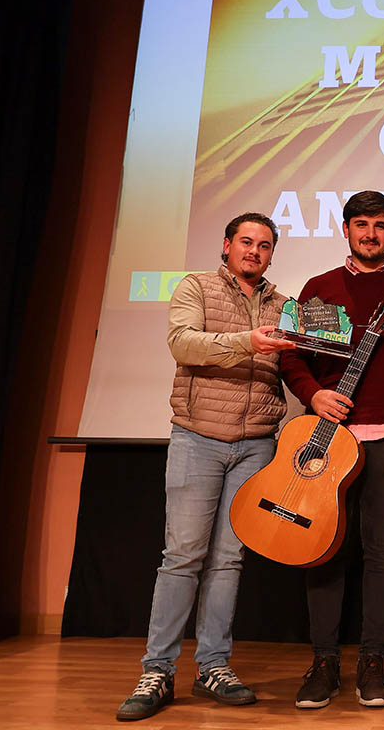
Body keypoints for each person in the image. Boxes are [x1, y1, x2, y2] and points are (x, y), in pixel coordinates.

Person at [116, 213, 295, 722]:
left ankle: (213, 665)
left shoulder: (285, 306)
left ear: (271, 253)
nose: (254, 251)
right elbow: (183, 343)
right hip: (197, 439)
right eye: (246, 242)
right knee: (182, 557)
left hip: (257, 445)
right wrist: (248, 342)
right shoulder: (195, 285)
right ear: (227, 244)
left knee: (229, 560)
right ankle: (158, 671)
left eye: (264, 245)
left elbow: (302, 361)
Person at [278, 190, 384, 710]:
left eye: (380, 225)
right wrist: (313, 393)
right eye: (361, 224)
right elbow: (291, 360)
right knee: (322, 548)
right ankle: (324, 661)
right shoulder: (319, 288)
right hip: (328, 441)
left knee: (383, 552)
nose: (370, 233)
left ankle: (372, 662)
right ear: (345, 229)